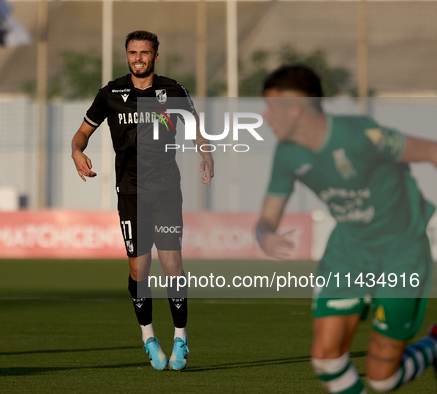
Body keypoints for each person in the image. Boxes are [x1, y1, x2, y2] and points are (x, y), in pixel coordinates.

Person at [255, 64, 437, 392]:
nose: (266, 116)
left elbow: (431, 151)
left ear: (295, 110)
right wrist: (265, 237)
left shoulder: (361, 136)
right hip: (349, 251)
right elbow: (266, 219)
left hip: (403, 251)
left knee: (383, 380)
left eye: (271, 107)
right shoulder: (286, 154)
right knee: (326, 359)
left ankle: (434, 345)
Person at [71, 30, 214, 371]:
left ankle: (181, 337)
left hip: (166, 191)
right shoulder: (111, 94)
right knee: (139, 267)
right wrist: (76, 151)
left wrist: (206, 156)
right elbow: (83, 132)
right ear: (127, 57)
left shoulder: (173, 91)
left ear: (155, 56)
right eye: (133, 52)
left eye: (144, 52)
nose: (138, 57)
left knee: (171, 265)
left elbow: (198, 131)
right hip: (131, 193)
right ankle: (148, 336)